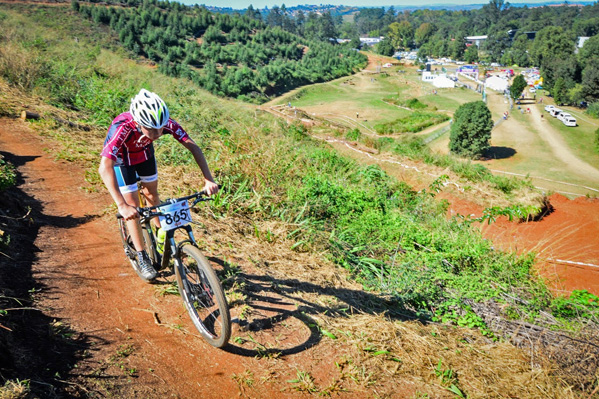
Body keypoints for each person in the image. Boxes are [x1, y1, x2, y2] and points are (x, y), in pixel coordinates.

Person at [98, 89, 219, 281]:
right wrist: (122, 206)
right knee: (133, 207)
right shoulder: (122, 127)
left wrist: (208, 178)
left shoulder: (164, 123)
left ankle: (160, 234)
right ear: (138, 122)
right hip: (123, 162)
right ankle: (141, 255)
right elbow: (104, 167)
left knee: (152, 196)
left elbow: (193, 146)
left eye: (160, 129)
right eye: (151, 129)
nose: (157, 134)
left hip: (145, 156)